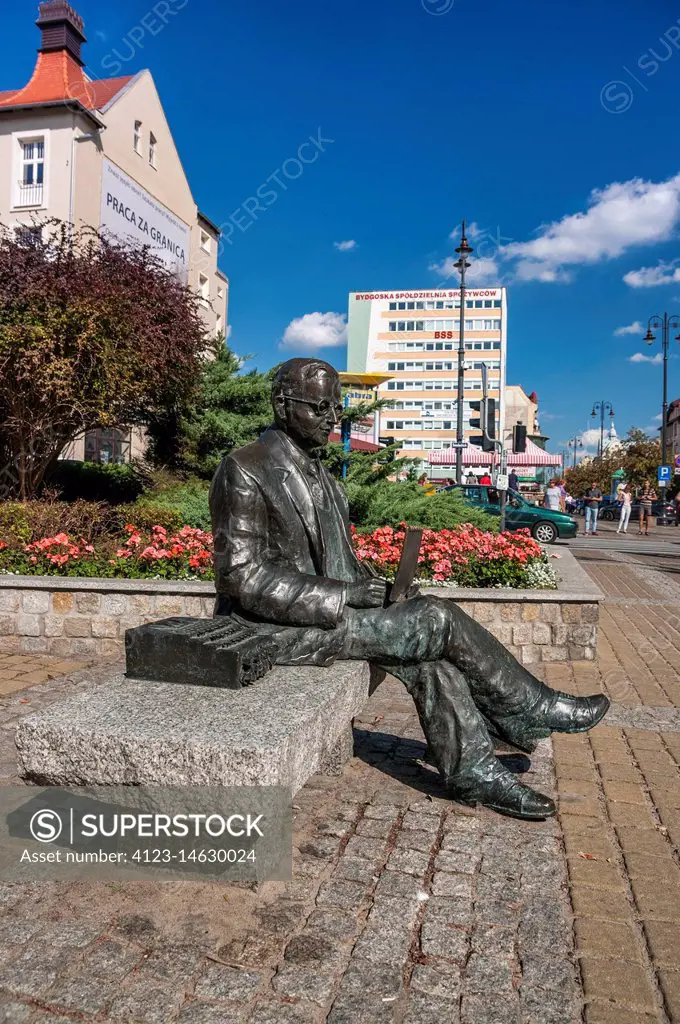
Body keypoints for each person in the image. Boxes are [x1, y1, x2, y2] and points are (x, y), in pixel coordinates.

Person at [210, 358, 609, 821]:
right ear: (283, 405)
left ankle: (473, 769)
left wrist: (377, 588)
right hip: (271, 627)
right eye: (320, 407)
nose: (333, 419)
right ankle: (530, 707)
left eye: (336, 408)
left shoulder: (325, 479)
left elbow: (339, 562)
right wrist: (342, 595)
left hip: (332, 613)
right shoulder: (245, 469)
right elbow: (242, 576)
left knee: (428, 650)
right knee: (434, 618)